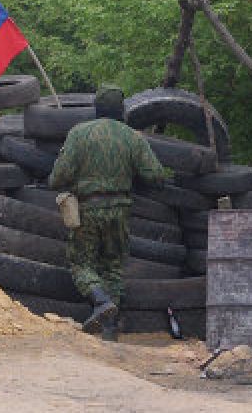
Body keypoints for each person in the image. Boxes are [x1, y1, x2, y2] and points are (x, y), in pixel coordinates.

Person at [48, 85, 166, 340]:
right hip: (120, 209)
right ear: (121, 110)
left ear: (96, 107)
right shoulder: (133, 137)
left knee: (82, 263)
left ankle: (100, 302)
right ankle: (110, 330)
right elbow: (155, 175)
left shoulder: (79, 134)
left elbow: (58, 177)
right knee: (113, 266)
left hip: (88, 208)